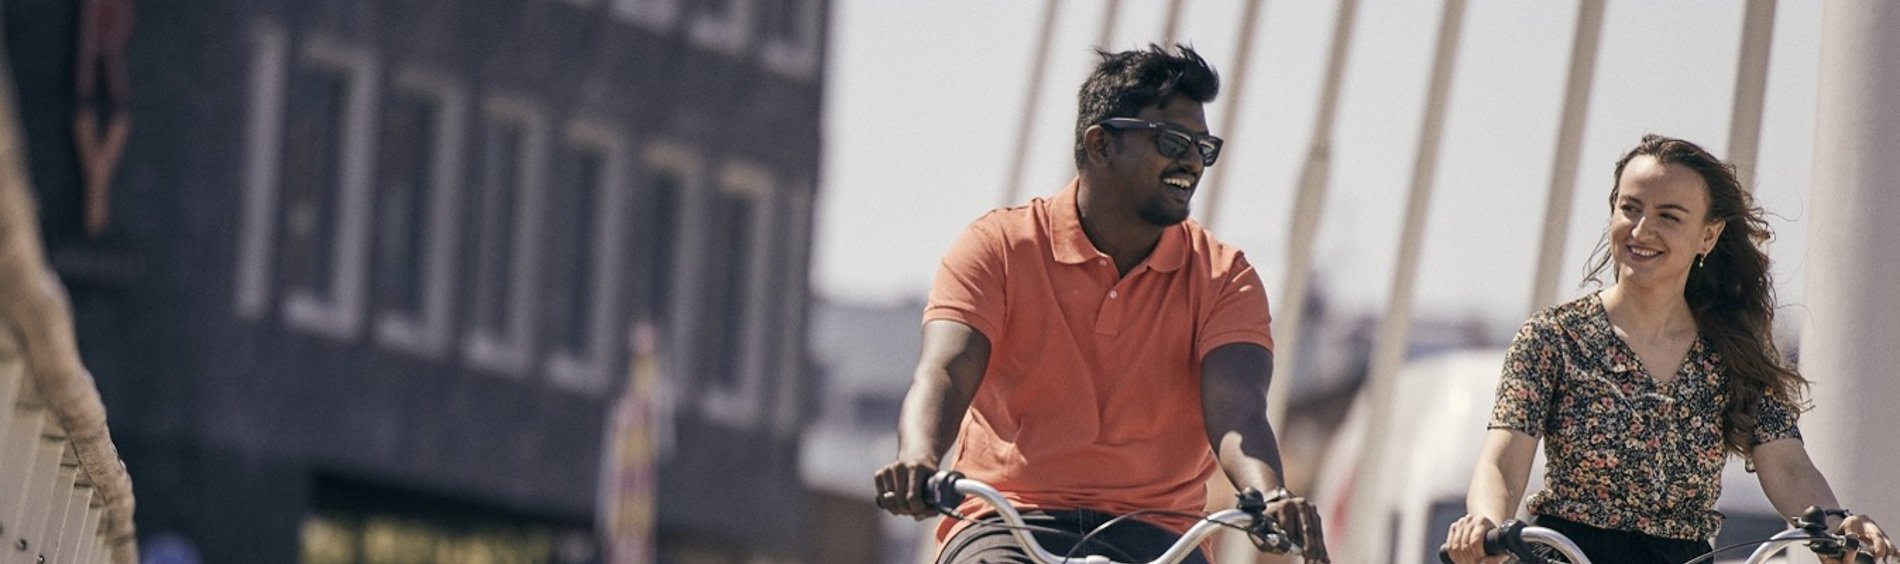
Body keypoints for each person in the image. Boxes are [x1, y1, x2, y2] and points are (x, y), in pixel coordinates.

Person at [870, 44, 1330, 564]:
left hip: (1157, 532)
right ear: (1100, 144)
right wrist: (919, 457)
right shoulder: (998, 247)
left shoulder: (1225, 276)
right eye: (1173, 141)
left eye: (1203, 148)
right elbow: (944, 373)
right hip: (1010, 521)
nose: (1191, 162)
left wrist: (1269, 495)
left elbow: (1239, 409)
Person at [1443, 135, 1897, 564]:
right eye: (1631, 208)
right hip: (1570, 552)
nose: (1643, 229)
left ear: (1708, 235)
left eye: (1669, 216)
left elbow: (1789, 466)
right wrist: (1485, 522)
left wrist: (1838, 528)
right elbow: (1503, 460)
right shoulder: (1553, 337)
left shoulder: (1731, 352)